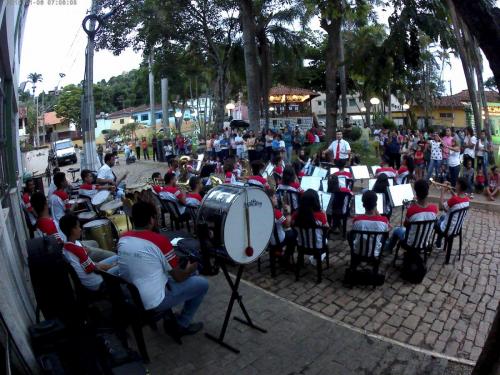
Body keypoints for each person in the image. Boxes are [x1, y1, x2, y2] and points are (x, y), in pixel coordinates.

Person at [118, 201, 208, 334]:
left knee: (188, 276)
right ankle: (182, 324)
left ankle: (170, 315)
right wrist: (190, 269)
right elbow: (178, 277)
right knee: (202, 284)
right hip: (153, 300)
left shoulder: (122, 238)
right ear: (151, 220)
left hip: (131, 293)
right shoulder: (159, 241)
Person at [59, 214, 118, 291]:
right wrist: (112, 266)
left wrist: (108, 265)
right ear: (73, 230)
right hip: (97, 283)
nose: (80, 229)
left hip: (92, 278)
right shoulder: (77, 250)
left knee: (116, 258)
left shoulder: (66, 248)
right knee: (119, 265)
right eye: (78, 227)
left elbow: (92, 264)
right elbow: (95, 269)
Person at [385, 180, 438, 253]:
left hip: (410, 243)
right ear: (427, 192)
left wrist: (412, 208)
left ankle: (388, 249)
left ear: (416, 193)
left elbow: (406, 225)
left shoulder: (412, 210)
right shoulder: (434, 209)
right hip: (424, 241)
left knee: (397, 230)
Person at [291, 189, 329, 265]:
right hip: (317, 244)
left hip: (301, 243)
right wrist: (325, 216)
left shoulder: (296, 214)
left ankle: (300, 259)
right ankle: (316, 257)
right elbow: (326, 228)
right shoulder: (320, 215)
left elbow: (292, 225)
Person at [351, 191, 390, 257]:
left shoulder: (357, 220)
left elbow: (354, 228)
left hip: (358, 251)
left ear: (363, 205)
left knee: (353, 234)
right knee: (384, 236)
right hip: (375, 252)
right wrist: (378, 214)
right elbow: (388, 229)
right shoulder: (384, 220)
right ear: (375, 204)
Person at [435, 177, 470, 249]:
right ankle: (438, 242)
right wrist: (451, 190)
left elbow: (440, 207)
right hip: (457, 227)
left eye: (456, 184)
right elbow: (457, 198)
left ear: (459, 186)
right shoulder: (466, 199)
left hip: (448, 229)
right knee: (442, 217)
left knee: (434, 221)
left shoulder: (454, 200)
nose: (455, 185)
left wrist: (442, 192)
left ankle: (434, 242)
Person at [267, 188, 295, 265]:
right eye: (274, 197)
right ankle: (286, 256)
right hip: (278, 240)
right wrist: (289, 212)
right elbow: (287, 224)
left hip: (268, 239)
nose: (276, 198)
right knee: (292, 234)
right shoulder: (276, 212)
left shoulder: (264, 210)